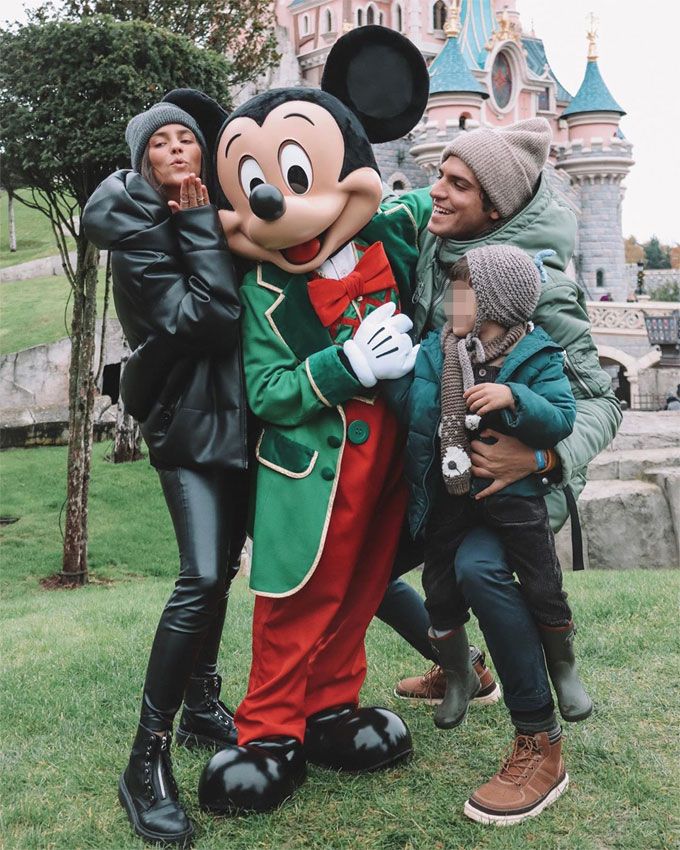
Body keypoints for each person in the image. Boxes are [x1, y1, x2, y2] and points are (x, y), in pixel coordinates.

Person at [375, 118, 621, 824]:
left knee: (484, 570)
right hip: (441, 475)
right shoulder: (441, 245)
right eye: (438, 175)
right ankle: (465, 666)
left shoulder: (532, 286)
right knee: (361, 565)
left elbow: (599, 402)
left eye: (457, 184)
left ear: (497, 206)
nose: (436, 191)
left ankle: (540, 742)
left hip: (509, 484)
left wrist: (541, 456)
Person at [83, 102, 248, 847]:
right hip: (186, 424)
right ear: (142, 162)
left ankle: (203, 706)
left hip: (239, 417)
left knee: (225, 569)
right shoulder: (143, 232)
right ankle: (143, 760)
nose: (177, 149)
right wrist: (196, 225)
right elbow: (212, 315)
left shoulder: (208, 209)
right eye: (161, 142)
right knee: (201, 576)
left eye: (188, 139)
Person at [382, 243, 594, 746]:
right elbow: (409, 406)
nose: (450, 305)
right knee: (440, 589)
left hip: (515, 496)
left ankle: (563, 671)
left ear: (496, 306)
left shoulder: (537, 355)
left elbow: (563, 416)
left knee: (542, 580)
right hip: (451, 496)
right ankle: (459, 675)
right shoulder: (436, 352)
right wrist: (379, 373)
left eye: (463, 295)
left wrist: (514, 398)